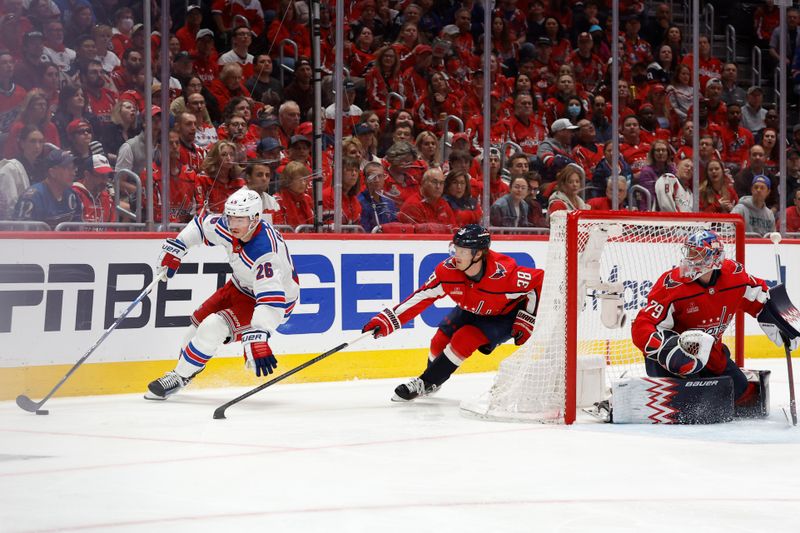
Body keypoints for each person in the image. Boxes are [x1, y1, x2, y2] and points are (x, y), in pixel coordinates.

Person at [145, 188, 299, 399]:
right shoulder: (230, 226)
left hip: (269, 301)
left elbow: (271, 300)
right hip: (239, 286)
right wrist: (178, 246)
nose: (233, 225)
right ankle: (187, 371)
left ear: (255, 218)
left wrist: (258, 334)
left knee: (212, 328)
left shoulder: (265, 251)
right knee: (193, 330)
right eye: (231, 218)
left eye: (240, 220)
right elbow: (200, 227)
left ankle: (178, 377)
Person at [362, 224, 544, 401]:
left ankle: (425, 382)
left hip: (502, 316)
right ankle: (433, 379)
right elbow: (421, 297)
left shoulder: (503, 275)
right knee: (438, 340)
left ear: (478, 254)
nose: (457, 256)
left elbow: (538, 281)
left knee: (465, 338)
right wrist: (388, 320)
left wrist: (527, 318)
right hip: (471, 308)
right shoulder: (447, 272)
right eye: (456, 249)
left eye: (463, 252)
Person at [631, 229, 797, 410]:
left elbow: (760, 296)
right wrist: (665, 348)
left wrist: (780, 318)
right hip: (675, 360)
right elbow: (643, 325)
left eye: (696, 254)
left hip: (712, 354)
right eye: (689, 252)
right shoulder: (672, 285)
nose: (689, 259)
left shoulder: (734, 277)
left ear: (714, 258)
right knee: (692, 404)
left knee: (742, 394)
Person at [14, 149, 82, 228]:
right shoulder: (31, 199)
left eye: (73, 168)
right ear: (52, 172)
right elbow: (21, 235)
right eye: (67, 169)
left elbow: (78, 229)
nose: (73, 173)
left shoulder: (72, 195)